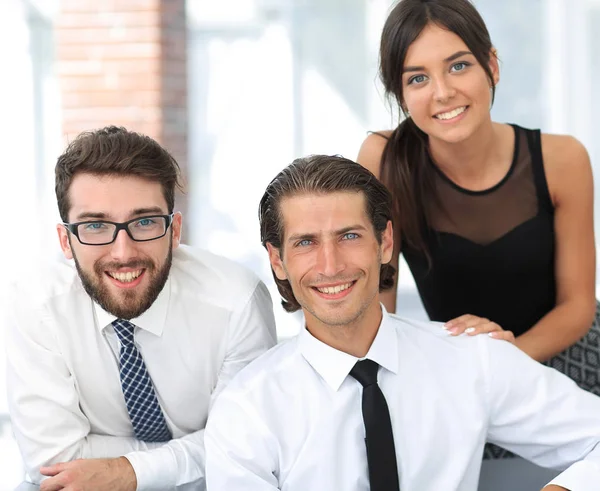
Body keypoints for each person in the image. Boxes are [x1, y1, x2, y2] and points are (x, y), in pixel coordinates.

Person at [204, 154, 600, 491]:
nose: (331, 265)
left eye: (349, 235)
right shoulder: (246, 410)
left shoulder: (471, 358)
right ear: (278, 261)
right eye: (306, 242)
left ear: (386, 242)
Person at [5, 126, 277, 491]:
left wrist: (126, 472)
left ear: (175, 230)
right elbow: (54, 465)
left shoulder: (236, 302)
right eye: (96, 225)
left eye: (145, 222)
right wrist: (197, 448)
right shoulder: (37, 306)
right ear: (65, 241)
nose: (123, 252)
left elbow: (246, 448)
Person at [356, 0, 598, 403]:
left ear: (492, 66)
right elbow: (377, 307)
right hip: (461, 379)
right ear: (400, 93)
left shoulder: (564, 159)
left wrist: (503, 363)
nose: (443, 92)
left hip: (569, 366)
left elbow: (577, 306)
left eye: (459, 66)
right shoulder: (384, 158)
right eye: (417, 79)